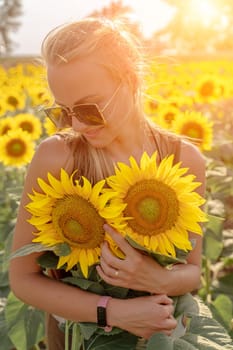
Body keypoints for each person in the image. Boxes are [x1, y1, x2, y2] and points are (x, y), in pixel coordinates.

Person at [9, 17, 206, 349]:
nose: (77, 124)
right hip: (77, 338)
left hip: (156, 336)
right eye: (62, 111)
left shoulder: (183, 160)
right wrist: (112, 312)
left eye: (89, 108)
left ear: (129, 80)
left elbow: (193, 271)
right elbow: (23, 279)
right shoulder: (59, 157)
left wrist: (159, 278)